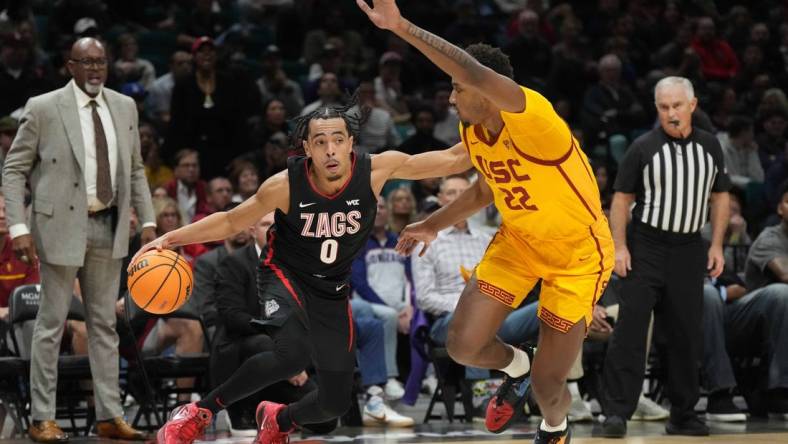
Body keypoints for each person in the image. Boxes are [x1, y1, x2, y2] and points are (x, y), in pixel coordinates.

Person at [131, 93, 474, 443]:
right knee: (290, 355)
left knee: (335, 402)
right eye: (320, 142)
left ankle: (279, 419)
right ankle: (198, 412)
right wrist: (170, 239)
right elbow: (232, 221)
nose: (330, 150)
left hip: (333, 287)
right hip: (285, 274)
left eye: (338, 140)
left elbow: (454, 158)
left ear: (351, 144)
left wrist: (490, 118)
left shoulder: (377, 168)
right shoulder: (285, 185)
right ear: (307, 149)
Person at [358, 2, 613, 442]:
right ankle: (518, 365)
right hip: (520, 242)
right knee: (462, 345)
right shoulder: (474, 132)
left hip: (577, 255)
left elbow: (473, 71)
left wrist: (401, 27)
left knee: (550, 387)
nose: (452, 98)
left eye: (458, 88)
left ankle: (556, 428)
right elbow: (483, 188)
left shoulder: (534, 118)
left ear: (487, 90)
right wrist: (431, 222)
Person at [1, 37, 154, 442]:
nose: (95, 69)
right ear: (70, 66)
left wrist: (151, 221)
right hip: (58, 228)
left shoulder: (124, 106)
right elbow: (13, 169)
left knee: (104, 324)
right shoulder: (44, 107)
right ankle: (42, 418)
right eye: (86, 62)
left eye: (100, 61)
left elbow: (136, 169)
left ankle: (109, 414)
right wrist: (18, 226)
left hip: (110, 222)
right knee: (52, 323)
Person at [599, 76, 731, 438]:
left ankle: (683, 414)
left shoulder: (711, 147)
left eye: (677, 105)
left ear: (693, 105)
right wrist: (620, 247)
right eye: (663, 107)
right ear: (657, 109)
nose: (671, 113)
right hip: (646, 245)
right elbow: (621, 200)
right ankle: (616, 414)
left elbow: (720, 196)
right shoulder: (642, 148)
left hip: (689, 247)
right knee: (630, 330)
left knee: (686, 334)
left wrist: (717, 245)